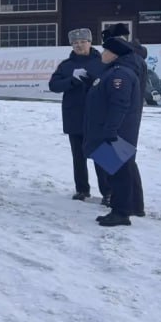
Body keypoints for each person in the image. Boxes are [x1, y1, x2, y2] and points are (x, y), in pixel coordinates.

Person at [85, 34, 143, 227]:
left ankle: (121, 212)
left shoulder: (120, 74)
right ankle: (123, 208)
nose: (103, 54)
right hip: (110, 131)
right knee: (116, 172)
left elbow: (119, 104)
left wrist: (111, 130)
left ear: (114, 54)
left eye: (106, 51)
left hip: (115, 134)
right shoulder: (114, 71)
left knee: (119, 174)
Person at [48, 27, 109, 202]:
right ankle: (82, 189)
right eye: (75, 43)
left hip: (97, 118)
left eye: (83, 42)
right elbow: (53, 85)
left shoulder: (102, 62)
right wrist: (72, 81)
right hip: (74, 117)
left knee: (102, 156)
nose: (79, 46)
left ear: (90, 42)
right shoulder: (66, 65)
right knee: (78, 157)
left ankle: (109, 192)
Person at [101, 23, 147, 215]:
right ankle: (132, 205)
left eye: (105, 47)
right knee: (123, 162)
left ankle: (123, 207)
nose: (102, 51)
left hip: (120, 121)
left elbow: (120, 98)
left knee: (120, 163)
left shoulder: (124, 67)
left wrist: (110, 126)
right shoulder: (133, 60)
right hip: (124, 118)